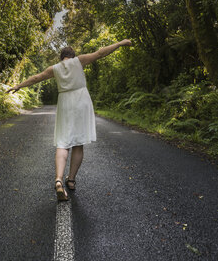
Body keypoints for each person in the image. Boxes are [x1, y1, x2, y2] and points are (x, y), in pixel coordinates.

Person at [7, 39, 131, 201]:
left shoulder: (55, 68)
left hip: (65, 103)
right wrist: (120, 43)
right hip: (81, 101)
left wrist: (18, 86)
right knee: (78, 143)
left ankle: (59, 179)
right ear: (72, 56)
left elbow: (36, 77)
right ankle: (71, 180)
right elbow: (101, 53)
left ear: (61, 57)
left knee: (63, 142)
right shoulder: (79, 61)